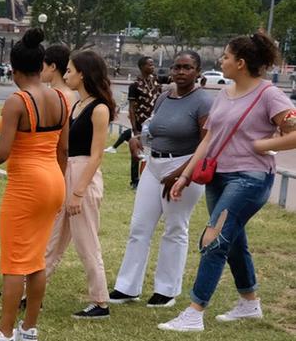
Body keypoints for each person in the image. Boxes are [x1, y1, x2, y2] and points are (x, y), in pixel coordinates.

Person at [160, 32, 296, 332]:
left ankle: (195, 311)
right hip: (217, 176)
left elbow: (294, 131)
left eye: (225, 56)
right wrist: (184, 176)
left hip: (250, 178)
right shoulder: (225, 93)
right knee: (233, 242)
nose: (221, 60)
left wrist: (261, 146)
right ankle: (249, 303)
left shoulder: (269, 95)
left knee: (215, 238)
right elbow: (209, 138)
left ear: (241, 63)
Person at [0, 29, 69, 341]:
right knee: (36, 259)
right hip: (54, 180)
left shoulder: (17, 101)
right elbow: (63, 150)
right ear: (42, 65)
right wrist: (59, 182)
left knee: (14, 262)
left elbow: (3, 152)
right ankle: (29, 329)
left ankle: (4, 334)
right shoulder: (60, 98)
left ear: (14, 71)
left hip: (27, 184)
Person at [109, 51, 211, 308]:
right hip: (154, 166)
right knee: (139, 226)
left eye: (187, 67)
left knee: (175, 228)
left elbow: (206, 144)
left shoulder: (203, 102)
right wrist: (137, 140)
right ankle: (127, 287)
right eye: (177, 67)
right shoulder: (164, 97)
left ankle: (167, 290)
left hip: (183, 167)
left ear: (197, 72)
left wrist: (180, 175)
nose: (181, 72)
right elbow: (151, 127)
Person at [44, 49, 115, 319]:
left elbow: (96, 155)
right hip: (70, 172)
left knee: (86, 243)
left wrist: (77, 192)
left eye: (70, 71)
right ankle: (32, 291)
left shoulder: (99, 108)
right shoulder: (77, 105)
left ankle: (100, 301)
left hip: (83, 175)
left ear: (83, 74)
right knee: (52, 240)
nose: (66, 75)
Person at [114, 55, 161, 188]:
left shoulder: (156, 81)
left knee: (152, 151)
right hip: (141, 123)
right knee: (137, 152)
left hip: (155, 123)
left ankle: (151, 178)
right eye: (149, 64)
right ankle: (135, 180)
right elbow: (131, 108)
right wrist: (134, 128)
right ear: (142, 67)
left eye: (153, 64)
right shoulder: (135, 85)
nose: (152, 67)